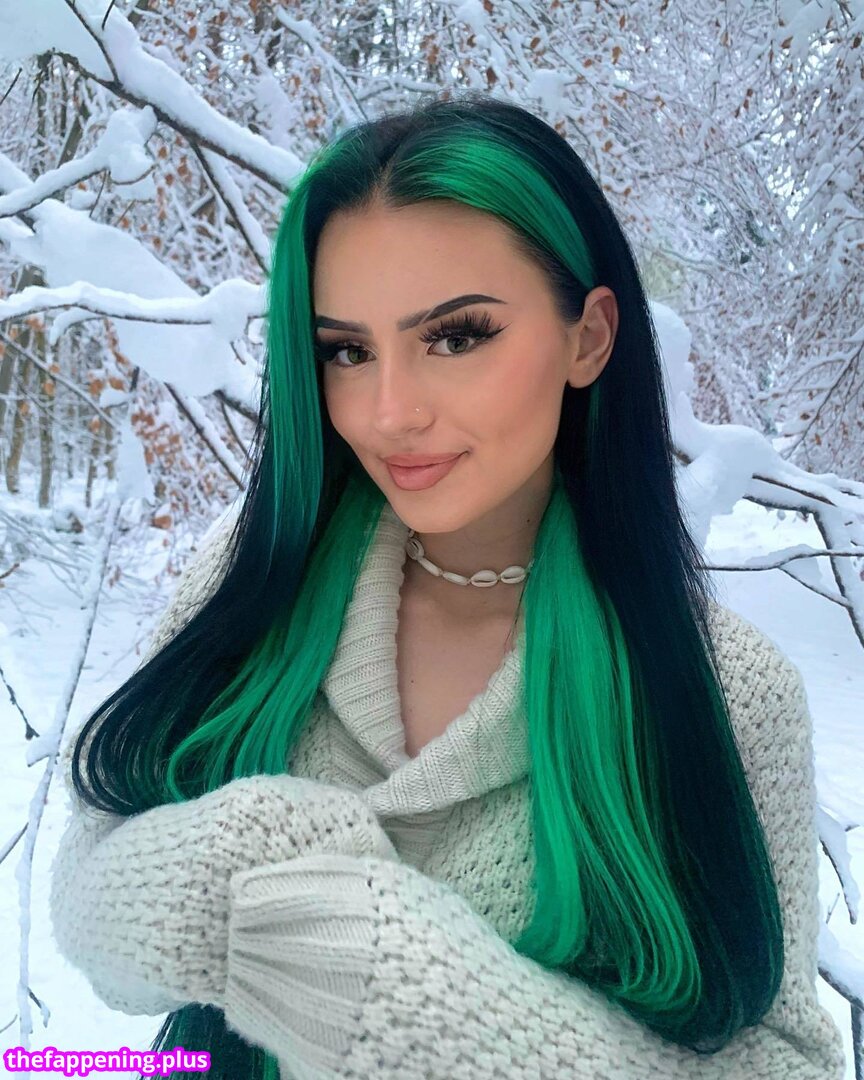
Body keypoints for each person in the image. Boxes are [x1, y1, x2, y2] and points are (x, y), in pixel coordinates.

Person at [49, 91, 845, 1080]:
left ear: (589, 338)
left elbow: (782, 1064)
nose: (389, 413)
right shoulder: (256, 580)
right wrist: (245, 881)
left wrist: (405, 988)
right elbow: (90, 882)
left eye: (457, 336)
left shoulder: (726, 689)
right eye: (347, 351)